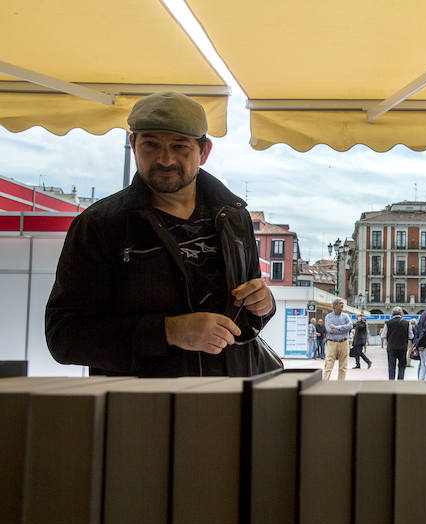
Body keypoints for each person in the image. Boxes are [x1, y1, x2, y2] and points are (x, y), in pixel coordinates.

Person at [45, 92, 278, 377]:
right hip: (143, 411)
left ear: (204, 152)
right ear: (133, 145)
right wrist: (168, 331)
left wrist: (264, 305)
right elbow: (64, 337)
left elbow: (248, 313)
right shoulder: (99, 225)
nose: (165, 159)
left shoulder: (235, 218)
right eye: (151, 145)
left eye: (180, 147)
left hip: (232, 399)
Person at [323, 298, 353, 379]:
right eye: (340, 303)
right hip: (332, 343)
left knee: (343, 366)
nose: (342, 305)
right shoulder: (328, 317)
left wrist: (336, 327)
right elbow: (329, 330)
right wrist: (344, 329)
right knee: (328, 365)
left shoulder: (346, 316)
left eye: (342, 303)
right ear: (335, 306)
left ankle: (340, 385)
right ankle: (325, 383)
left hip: (344, 342)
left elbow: (350, 326)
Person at [382, 307, 413, 379]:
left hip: (391, 347)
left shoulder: (388, 323)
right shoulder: (407, 323)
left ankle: (391, 382)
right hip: (402, 347)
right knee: (402, 365)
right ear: (401, 313)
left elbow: (383, 335)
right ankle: (400, 381)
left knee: (391, 366)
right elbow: (411, 336)